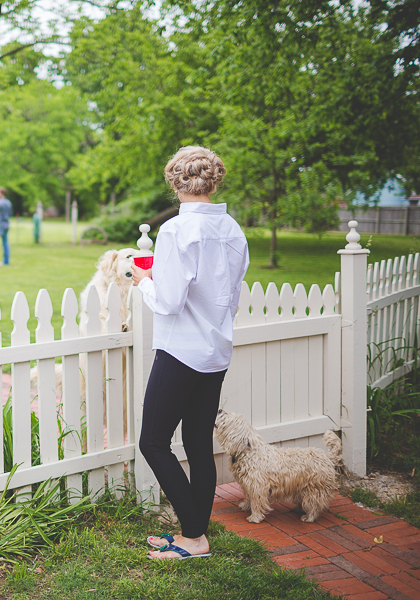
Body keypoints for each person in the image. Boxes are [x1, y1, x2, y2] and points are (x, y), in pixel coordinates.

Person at [130, 146, 249, 560]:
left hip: (181, 350)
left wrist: (143, 280)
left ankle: (194, 537)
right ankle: (193, 533)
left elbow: (168, 302)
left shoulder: (177, 231)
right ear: (214, 180)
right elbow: (231, 296)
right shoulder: (233, 229)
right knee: (197, 441)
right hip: (216, 349)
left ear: (174, 182)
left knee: (153, 443)